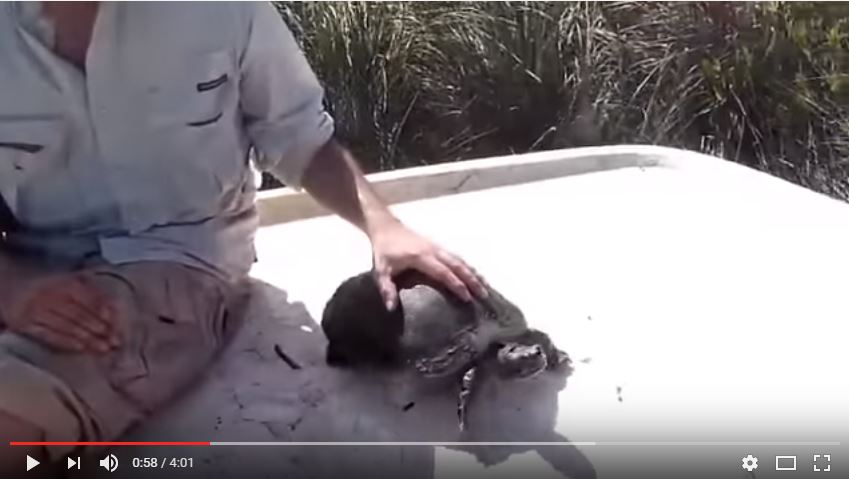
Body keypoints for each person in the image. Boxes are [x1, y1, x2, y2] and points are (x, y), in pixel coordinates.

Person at [0, 1, 487, 472]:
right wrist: (15, 286)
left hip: (172, 265)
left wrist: (385, 228)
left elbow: (299, 137)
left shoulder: (221, 11)